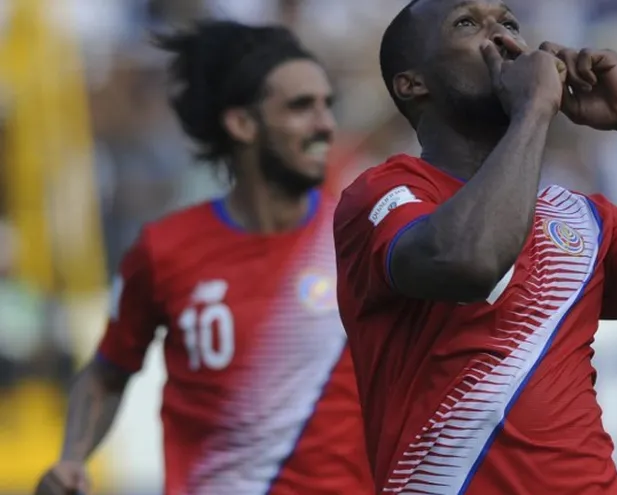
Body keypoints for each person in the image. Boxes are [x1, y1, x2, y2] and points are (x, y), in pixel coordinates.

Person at [332, 0, 617, 494]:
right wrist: (535, 109)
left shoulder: (581, 220)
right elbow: (472, 261)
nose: (502, 39)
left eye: (509, 22)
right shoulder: (384, 194)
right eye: (467, 24)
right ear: (411, 83)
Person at [35, 21, 373, 495]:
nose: (325, 125)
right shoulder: (165, 249)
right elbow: (107, 373)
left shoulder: (359, 239)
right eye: (301, 107)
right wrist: (72, 458)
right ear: (241, 124)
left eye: (327, 106)